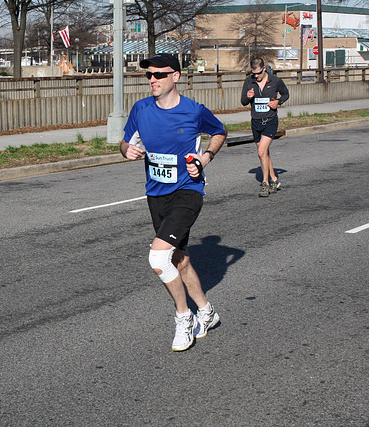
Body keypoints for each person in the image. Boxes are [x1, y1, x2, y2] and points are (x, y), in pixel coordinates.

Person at [120, 53, 228, 352]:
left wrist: (204, 158)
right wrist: (126, 149)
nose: (152, 80)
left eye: (159, 75)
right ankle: (207, 312)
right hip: (156, 194)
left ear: (176, 77)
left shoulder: (194, 111)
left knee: (158, 259)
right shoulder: (140, 109)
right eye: (148, 76)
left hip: (187, 191)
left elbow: (219, 132)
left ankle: (185, 317)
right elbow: (125, 141)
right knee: (179, 258)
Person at [240, 57, 289, 197]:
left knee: (261, 152)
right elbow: (243, 101)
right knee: (265, 153)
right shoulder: (249, 82)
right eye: (253, 73)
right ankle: (274, 179)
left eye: (258, 73)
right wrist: (248, 97)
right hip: (255, 122)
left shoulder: (275, 81)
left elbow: (286, 94)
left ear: (264, 69)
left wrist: (278, 102)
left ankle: (265, 183)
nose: (256, 76)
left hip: (270, 121)